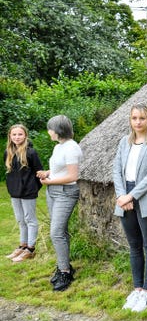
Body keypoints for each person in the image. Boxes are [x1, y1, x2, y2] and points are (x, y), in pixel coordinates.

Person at [112, 104, 147, 313]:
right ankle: (137, 289)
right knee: (134, 245)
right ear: (130, 120)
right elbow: (116, 169)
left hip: (145, 196)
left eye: (142, 118)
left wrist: (132, 195)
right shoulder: (123, 143)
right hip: (124, 196)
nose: (138, 122)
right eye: (134, 118)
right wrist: (121, 196)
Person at [37, 115, 83, 291]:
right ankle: (63, 266)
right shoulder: (59, 147)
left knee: (56, 232)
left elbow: (73, 176)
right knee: (60, 231)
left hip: (66, 192)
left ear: (58, 130)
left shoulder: (71, 148)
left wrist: (50, 182)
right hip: (54, 192)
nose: (49, 132)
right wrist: (47, 173)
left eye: (50, 129)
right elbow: (60, 169)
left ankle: (65, 271)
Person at [4, 124, 43, 263]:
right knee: (21, 219)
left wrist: (32, 188)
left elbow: (39, 173)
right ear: (10, 136)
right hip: (14, 192)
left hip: (28, 192)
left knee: (30, 220)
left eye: (20, 134)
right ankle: (22, 245)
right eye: (14, 134)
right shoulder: (7, 152)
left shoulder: (31, 152)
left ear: (25, 135)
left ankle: (31, 249)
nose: (17, 137)